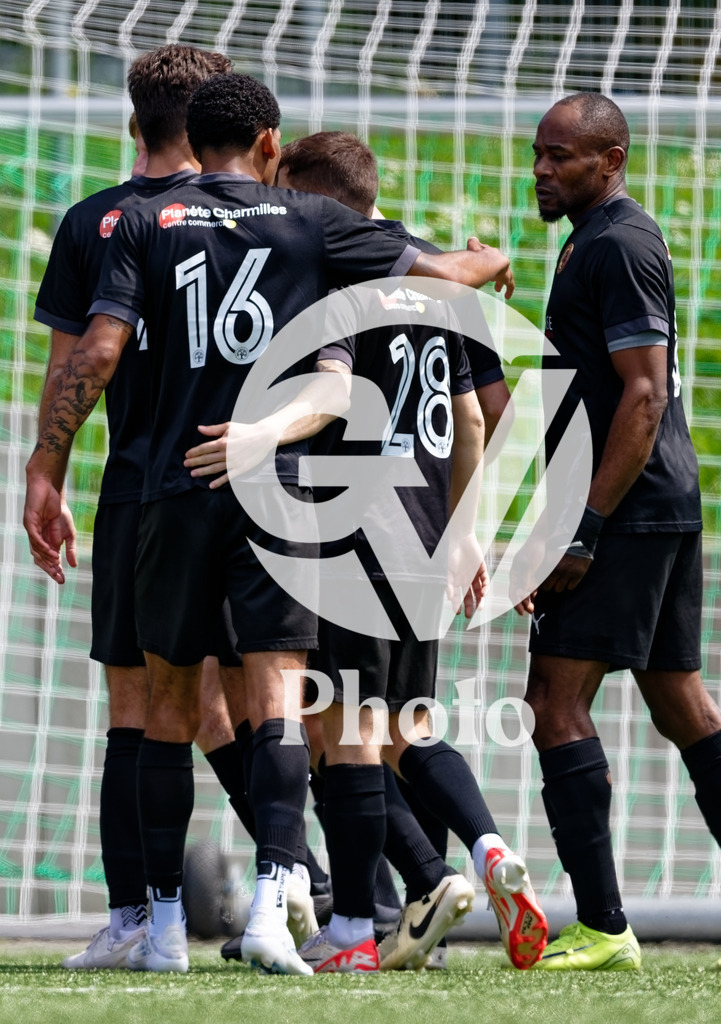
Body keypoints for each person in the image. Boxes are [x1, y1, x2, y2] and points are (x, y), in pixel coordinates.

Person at [24, 73, 514, 976]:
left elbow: (97, 351)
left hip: (168, 489)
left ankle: (159, 927)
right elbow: (449, 285)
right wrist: (486, 260)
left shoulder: (137, 223)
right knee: (287, 701)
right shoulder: (311, 223)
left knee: (162, 706)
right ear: (268, 145)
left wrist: (44, 463)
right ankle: (275, 904)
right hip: (283, 491)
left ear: (162, 132)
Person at [186, 130, 547, 974]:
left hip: (351, 529)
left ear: (318, 200)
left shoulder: (342, 272)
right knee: (403, 727)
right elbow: (469, 418)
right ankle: (480, 851)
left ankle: (355, 916)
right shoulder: (432, 276)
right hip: (427, 533)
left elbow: (329, 391)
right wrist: (464, 535)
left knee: (334, 730)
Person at [519, 91, 721, 972]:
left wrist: (582, 528)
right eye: (538, 153)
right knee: (677, 695)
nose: (541, 169)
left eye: (561, 156)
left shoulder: (618, 243)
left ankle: (603, 927)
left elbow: (642, 396)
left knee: (551, 704)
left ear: (609, 161)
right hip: (653, 502)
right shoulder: (590, 238)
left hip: (628, 509)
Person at [30, 43, 252, 971]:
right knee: (260, 706)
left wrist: (44, 473)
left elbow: (79, 360)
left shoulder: (96, 222)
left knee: (135, 705)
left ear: (134, 121)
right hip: (256, 494)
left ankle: (136, 918)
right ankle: (321, 894)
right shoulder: (264, 219)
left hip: (140, 487)